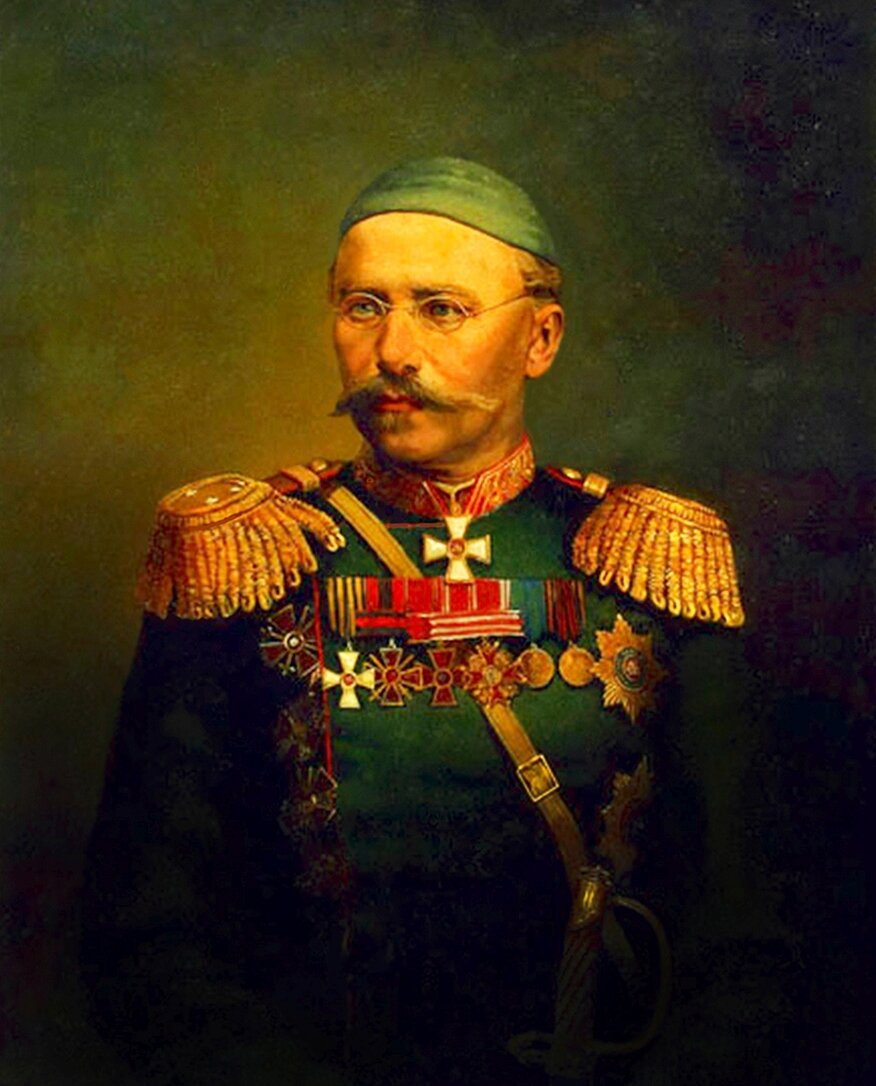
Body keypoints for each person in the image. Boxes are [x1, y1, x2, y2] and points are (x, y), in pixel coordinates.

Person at [81, 157, 745, 1086]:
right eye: (364, 307)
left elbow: (743, 927)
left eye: (442, 309)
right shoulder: (243, 560)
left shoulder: (648, 559)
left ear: (541, 337)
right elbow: (148, 931)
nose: (393, 350)